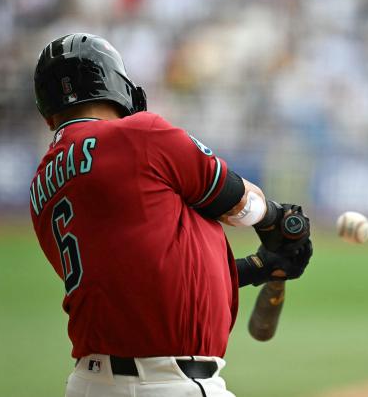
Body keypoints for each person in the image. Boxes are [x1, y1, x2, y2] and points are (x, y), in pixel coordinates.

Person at [29, 33, 313, 397]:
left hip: (88, 384)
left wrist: (258, 267)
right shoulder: (139, 134)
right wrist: (276, 219)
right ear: (114, 84)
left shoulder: (42, 187)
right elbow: (240, 205)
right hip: (168, 383)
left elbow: (142, 279)